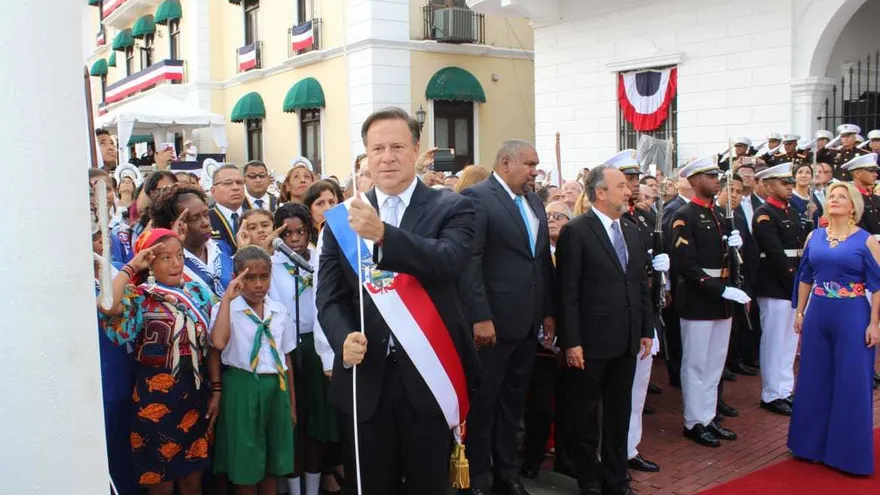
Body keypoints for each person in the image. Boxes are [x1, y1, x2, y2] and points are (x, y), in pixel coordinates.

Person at [316, 107, 480, 495]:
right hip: (366, 377)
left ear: (416, 149)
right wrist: (342, 337)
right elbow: (329, 296)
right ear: (366, 155)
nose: (387, 158)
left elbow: (448, 261)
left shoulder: (452, 206)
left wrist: (384, 235)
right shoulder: (343, 218)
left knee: (428, 485)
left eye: (397, 147)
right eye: (378, 149)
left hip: (430, 374)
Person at [457, 139, 554, 495]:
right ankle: (478, 477)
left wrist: (548, 312)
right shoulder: (478, 198)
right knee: (485, 403)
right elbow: (471, 261)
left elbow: (540, 262)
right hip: (493, 325)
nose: (534, 172)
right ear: (505, 163)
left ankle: (507, 475)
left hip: (527, 323)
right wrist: (480, 316)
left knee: (513, 403)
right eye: (529, 164)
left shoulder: (534, 201)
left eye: (536, 165)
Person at [556, 164, 656, 495]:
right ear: (600, 193)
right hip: (590, 343)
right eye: (621, 186)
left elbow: (639, 284)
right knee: (586, 417)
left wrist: (646, 328)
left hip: (626, 340)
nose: (629, 191)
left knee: (619, 414)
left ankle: (617, 480)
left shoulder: (631, 230)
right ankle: (589, 482)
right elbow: (567, 292)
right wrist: (572, 341)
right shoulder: (577, 231)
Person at [97, 228, 219, 493]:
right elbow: (107, 305)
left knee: (192, 482)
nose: (176, 263)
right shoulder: (139, 297)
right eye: (166, 258)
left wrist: (217, 389)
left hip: (194, 395)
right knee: (160, 485)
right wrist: (132, 266)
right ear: (150, 262)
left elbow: (213, 343)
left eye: (180, 256)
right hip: (154, 399)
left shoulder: (197, 292)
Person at [788, 181, 880, 476]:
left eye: (842, 196)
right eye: (831, 196)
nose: (835, 200)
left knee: (851, 381)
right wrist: (800, 312)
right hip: (818, 314)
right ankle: (809, 446)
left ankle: (847, 455)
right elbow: (805, 276)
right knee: (814, 377)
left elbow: (878, 286)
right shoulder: (814, 236)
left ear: (853, 206)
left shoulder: (866, 241)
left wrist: (875, 323)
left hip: (853, 315)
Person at [670, 156, 750, 448]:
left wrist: (736, 248)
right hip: (699, 300)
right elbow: (686, 265)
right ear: (694, 181)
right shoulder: (684, 216)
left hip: (722, 299)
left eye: (717, 175)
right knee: (696, 364)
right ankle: (694, 421)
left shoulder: (718, 214)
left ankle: (708, 416)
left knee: (715, 363)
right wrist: (720, 290)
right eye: (710, 176)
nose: (717, 181)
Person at [210, 246, 297, 492]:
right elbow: (218, 343)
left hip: (276, 387)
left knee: (273, 460)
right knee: (246, 461)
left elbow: (286, 357)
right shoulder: (226, 309)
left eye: (264, 277)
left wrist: (291, 403)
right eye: (250, 278)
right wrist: (227, 299)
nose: (258, 284)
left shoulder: (278, 310)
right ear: (236, 277)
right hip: (243, 386)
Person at [604, 151, 665, 474]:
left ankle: (629, 447)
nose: (633, 186)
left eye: (636, 179)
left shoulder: (641, 218)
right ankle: (611, 452)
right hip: (614, 320)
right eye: (626, 180)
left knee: (637, 390)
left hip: (642, 312)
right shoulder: (608, 222)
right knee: (614, 395)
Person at [521, 200, 573, 480]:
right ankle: (532, 457)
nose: (552, 219)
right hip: (542, 345)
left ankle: (567, 459)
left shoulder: (574, 252)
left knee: (570, 405)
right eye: (549, 215)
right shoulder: (539, 255)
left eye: (559, 216)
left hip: (572, 341)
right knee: (539, 406)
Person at [751, 163, 805, 416]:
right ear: (770, 186)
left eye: (791, 183)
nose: (790, 187)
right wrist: (793, 282)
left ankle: (784, 389)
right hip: (775, 283)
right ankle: (771, 393)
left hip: (793, 283)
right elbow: (774, 253)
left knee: (789, 341)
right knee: (774, 342)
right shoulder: (764, 214)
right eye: (785, 183)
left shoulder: (791, 211)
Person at [149, 185, 234, 298]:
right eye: (195, 218)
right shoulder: (166, 261)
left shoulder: (221, 248)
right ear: (177, 225)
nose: (206, 223)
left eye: (206, 214)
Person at [112, 170, 178, 263]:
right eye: (159, 190)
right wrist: (145, 238)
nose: (166, 195)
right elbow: (127, 265)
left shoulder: (184, 225)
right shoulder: (125, 232)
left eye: (171, 189)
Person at [209, 164, 250, 253]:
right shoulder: (206, 219)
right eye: (227, 183)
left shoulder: (253, 216)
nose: (235, 188)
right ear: (213, 191)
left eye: (239, 182)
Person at [845, 153, 880, 236]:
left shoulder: (875, 198)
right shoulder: (849, 197)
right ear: (857, 174)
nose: (876, 174)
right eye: (871, 171)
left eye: (876, 171)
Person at [789, 162, 822, 231]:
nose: (803, 175)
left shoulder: (813, 197)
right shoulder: (790, 198)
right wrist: (807, 214)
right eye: (800, 172)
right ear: (794, 177)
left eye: (808, 173)